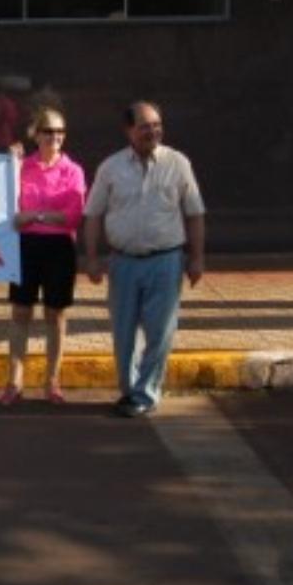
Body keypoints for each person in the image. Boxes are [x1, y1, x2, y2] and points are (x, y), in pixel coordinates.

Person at [82, 101, 205, 417]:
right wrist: (92, 258)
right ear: (128, 130)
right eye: (145, 126)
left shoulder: (178, 163)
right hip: (122, 263)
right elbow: (93, 214)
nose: (153, 131)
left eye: (157, 125)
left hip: (166, 261)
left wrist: (196, 259)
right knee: (123, 332)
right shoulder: (110, 168)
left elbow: (194, 214)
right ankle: (131, 389)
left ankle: (145, 393)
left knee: (159, 331)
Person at [0, 106, 87, 406]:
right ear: (35, 134)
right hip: (25, 247)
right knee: (20, 313)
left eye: (60, 131)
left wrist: (35, 215)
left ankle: (52, 380)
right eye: (48, 131)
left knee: (56, 315)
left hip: (59, 250)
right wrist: (9, 162)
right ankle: (14, 381)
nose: (55, 137)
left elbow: (73, 217)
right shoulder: (21, 167)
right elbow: (10, 213)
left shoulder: (73, 170)